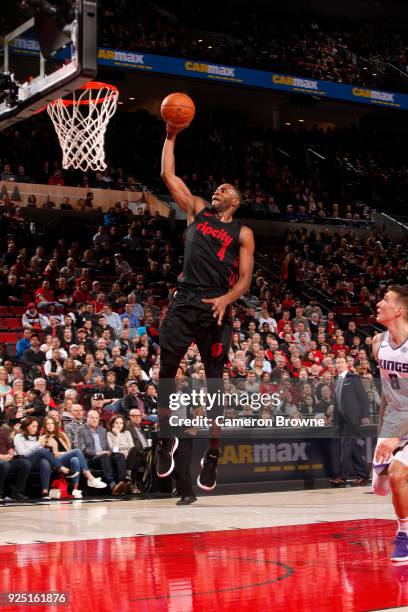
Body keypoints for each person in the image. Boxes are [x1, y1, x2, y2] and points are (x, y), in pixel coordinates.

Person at [157, 122, 255, 495]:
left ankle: (212, 452)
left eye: (224, 189)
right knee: (167, 370)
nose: (217, 190)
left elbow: (245, 280)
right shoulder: (198, 211)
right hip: (184, 301)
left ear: (235, 201)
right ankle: (165, 438)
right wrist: (170, 135)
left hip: (216, 308)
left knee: (215, 383)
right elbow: (168, 174)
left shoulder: (243, 232)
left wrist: (227, 299)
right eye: (216, 188)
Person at [371, 286, 408, 561]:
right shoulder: (377, 343)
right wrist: (383, 431)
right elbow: (387, 392)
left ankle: (404, 536)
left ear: (399, 310)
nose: (379, 303)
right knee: (381, 486)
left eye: (385, 300)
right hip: (394, 422)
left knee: (397, 475)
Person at [39, 416, 107, 498]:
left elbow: (69, 449)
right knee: (77, 451)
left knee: (75, 459)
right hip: (55, 462)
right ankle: (89, 476)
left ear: (55, 425)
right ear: (45, 426)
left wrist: (68, 453)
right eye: (47, 424)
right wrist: (66, 453)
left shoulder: (62, 435)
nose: (50, 425)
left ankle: (75, 489)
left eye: (52, 423)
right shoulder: (43, 438)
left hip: (66, 459)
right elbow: (50, 454)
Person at [330, 357, 370, 487]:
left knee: (346, 447)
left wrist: (365, 416)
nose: (339, 364)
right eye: (337, 362)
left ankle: (342, 477)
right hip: (342, 421)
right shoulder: (338, 380)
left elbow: (363, 397)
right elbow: (337, 402)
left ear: (346, 365)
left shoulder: (353, 377)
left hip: (353, 420)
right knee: (354, 449)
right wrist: (335, 420)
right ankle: (363, 476)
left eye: (341, 362)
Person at [13, 417, 73, 499]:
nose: (36, 428)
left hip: (34, 464)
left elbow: (39, 452)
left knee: (44, 461)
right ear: (27, 426)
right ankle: (61, 467)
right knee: (41, 451)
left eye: (37, 426)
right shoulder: (19, 437)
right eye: (33, 426)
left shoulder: (36, 438)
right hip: (23, 462)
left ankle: (45, 492)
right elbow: (22, 453)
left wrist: (44, 446)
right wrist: (38, 444)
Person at [74, 410, 128, 495]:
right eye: (92, 418)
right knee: (104, 456)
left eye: (96, 418)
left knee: (120, 455)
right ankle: (112, 485)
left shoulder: (103, 431)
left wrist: (109, 451)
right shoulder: (81, 430)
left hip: (104, 456)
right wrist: (97, 453)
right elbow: (81, 448)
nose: (95, 420)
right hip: (91, 459)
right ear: (87, 418)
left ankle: (120, 484)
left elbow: (108, 447)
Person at [107, 415, 140, 494]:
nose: (119, 425)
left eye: (121, 423)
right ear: (112, 424)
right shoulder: (109, 434)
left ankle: (128, 475)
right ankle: (132, 484)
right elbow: (114, 450)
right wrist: (118, 435)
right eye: (116, 423)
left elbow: (131, 447)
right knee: (122, 456)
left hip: (129, 455)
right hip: (116, 456)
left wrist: (127, 453)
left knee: (134, 450)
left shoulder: (127, 433)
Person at [0, 426, 31, 501]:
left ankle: (17, 492)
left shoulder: (1, 431)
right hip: (2, 460)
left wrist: (10, 453)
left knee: (25, 463)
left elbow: (10, 445)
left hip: (7, 458)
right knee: (4, 465)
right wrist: (2, 457)